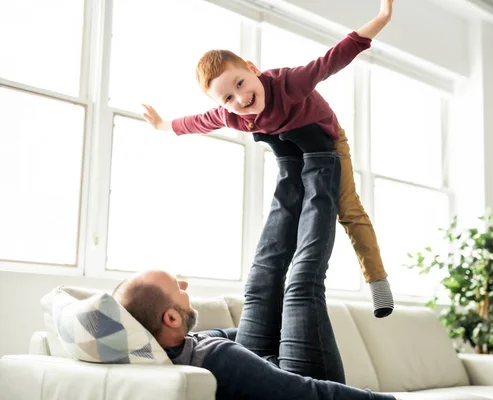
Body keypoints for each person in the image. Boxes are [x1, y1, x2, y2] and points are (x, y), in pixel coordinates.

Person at [141, 0, 396, 318]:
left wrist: (381, 18)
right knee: (293, 211)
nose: (241, 98)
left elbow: (333, 59)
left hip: (328, 144)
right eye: (228, 99)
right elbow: (195, 123)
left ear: (252, 68)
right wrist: (161, 125)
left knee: (348, 209)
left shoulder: (289, 83)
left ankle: (379, 283)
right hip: (293, 154)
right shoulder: (232, 116)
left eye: (240, 84)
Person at [114, 146, 398, 399]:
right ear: (171, 318)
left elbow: (233, 335)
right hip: (302, 384)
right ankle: (322, 156)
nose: (184, 283)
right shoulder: (218, 358)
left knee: (261, 284)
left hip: (267, 365)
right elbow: (304, 391)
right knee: (301, 286)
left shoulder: (176, 347)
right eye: (178, 287)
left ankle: (289, 163)